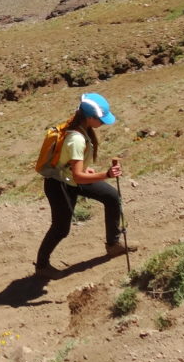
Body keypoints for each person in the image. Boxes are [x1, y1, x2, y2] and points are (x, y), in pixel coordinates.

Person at [36, 93, 134, 278]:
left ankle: (113, 245)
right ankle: (41, 266)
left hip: (70, 179)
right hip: (60, 185)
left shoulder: (82, 127)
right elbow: (78, 177)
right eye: (101, 119)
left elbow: (77, 170)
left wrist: (87, 171)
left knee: (111, 197)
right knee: (61, 228)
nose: (104, 123)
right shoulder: (77, 139)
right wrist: (106, 174)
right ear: (89, 117)